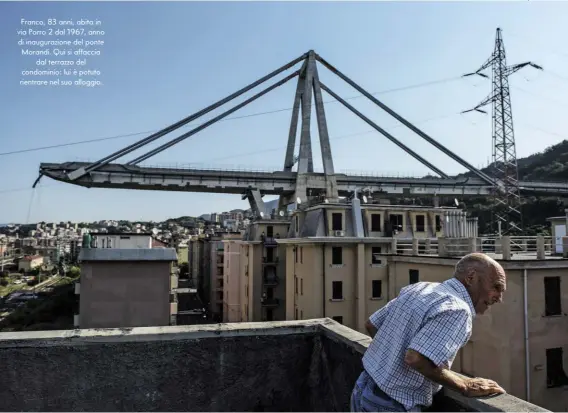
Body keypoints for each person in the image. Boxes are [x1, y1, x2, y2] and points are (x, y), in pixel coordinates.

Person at [350, 253, 507, 412]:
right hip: (391, 404)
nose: (499, 298)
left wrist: (393, 357)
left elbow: (372, 324)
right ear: (471, 277)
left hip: (363, 386)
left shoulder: (420, 287)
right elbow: (416, 358)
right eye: (496, 287)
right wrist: (464, 385)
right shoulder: (458, 309)